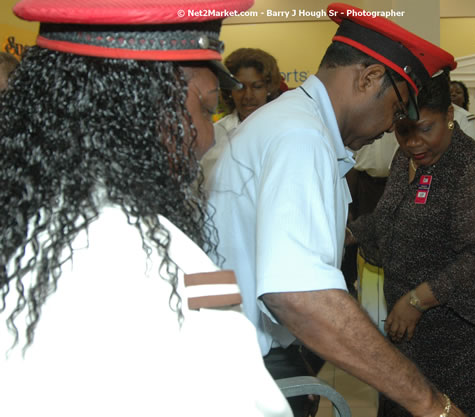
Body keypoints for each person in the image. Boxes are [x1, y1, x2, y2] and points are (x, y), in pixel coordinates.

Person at [0, 0, 292, 416]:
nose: (209, 138)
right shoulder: (158, 257)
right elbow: (249, 401)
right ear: (142, 108)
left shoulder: (30, 211)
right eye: (206, 110)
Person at [208, 3, 467, 417]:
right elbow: (298, 293)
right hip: (244, 360)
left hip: (251, 349)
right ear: (368, 78)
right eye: (397, 111)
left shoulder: (296, 125)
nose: (390, 127)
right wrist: (430, 403)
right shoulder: (301, 136)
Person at [346, 69, 475, 417]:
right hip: (412, 334)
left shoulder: (474, 169)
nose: (413, 142)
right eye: (403, 131)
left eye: (426, 129)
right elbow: (388, 220)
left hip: (465, 340)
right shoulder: (407, 159)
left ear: (451, 115)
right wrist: (349, 235)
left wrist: (416, 300)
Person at [201, 47, 282, 177]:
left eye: (257, 87)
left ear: (269, 88)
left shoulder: (283, 131)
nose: (248, 96)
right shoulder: (213, 135)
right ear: (229, 91)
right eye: (240, 87)